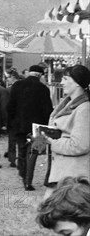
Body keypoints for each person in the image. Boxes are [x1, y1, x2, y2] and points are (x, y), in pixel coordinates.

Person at [42, 65, 90, 198]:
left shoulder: (84, 109)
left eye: (65, 78)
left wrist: (52, 142)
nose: (61, 83)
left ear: (76, 83)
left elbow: (80, 145)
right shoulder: (69, 103)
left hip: (73, 178)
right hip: (64, 174)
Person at [7, 64, 54, 190]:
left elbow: (10, 106)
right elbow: (47, 110)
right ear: (40, 75)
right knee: (34, 153)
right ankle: (28, 181)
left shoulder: (17, 86)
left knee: (22, 151)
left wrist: (12, 123)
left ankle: (23, 173)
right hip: (38, 128)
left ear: (29, 73)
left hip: (19, 125)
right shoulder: (43, 89)